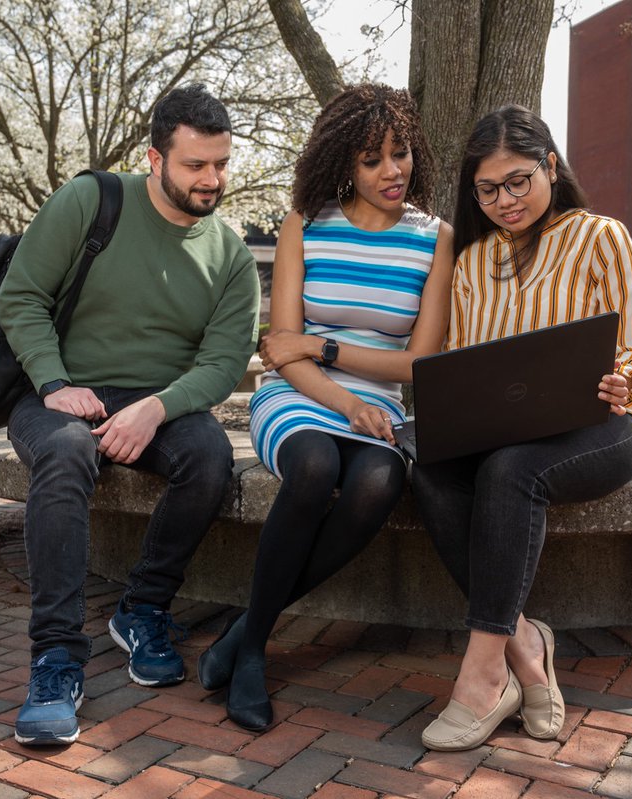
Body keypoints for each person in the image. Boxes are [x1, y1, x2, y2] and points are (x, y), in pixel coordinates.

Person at [0, 83, 260, 746]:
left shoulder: (230, 257)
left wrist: (157, 407)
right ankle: (55, 659)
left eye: (222, 163)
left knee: (209, 457)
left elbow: (224, 361)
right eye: (196, 164)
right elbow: (21, 296)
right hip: (60, 393)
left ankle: (144, 608)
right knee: (65, 452)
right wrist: (53, 381)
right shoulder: (91, 201)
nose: (212, 179)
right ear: (155, 158)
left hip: (159, 405)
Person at [196, 84, 454, 731]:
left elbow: (420, 363)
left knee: (377, 481)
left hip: (377, 406)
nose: (392, 171)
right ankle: (253, 652)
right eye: (372, 159)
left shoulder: (435, 238)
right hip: (299, 395)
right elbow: (282, 354)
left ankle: (246, 628)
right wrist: (336, 388)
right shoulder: (303, 226)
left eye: (400, 154)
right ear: (344, 161)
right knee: (313, 468)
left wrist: (323, 343)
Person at [412, 105, 632, 751]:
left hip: (607, 425)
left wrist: (619, 381)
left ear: (550, 165)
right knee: (432, 469)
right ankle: (526, 640)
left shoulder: (602, 236)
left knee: (512, 471)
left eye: (518, 180)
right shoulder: (473, 261)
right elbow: (468, 363)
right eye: (488, 189)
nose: (504, 200)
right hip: (507, 431)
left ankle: (483, 670)